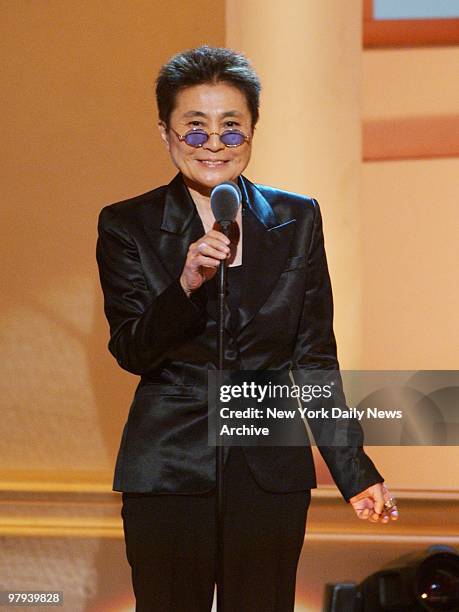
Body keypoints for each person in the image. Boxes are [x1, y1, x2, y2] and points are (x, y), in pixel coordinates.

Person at [96, 45, 399, 612]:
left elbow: (313, 357)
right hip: (167, 466)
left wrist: (354, 470)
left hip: (268, 470)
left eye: (231, 129)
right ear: (166, 134)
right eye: (195, 128)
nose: (214, 144)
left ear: (253, 131)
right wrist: (184, 285)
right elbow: (132, 348)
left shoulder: (296, 218)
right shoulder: (126, 224)